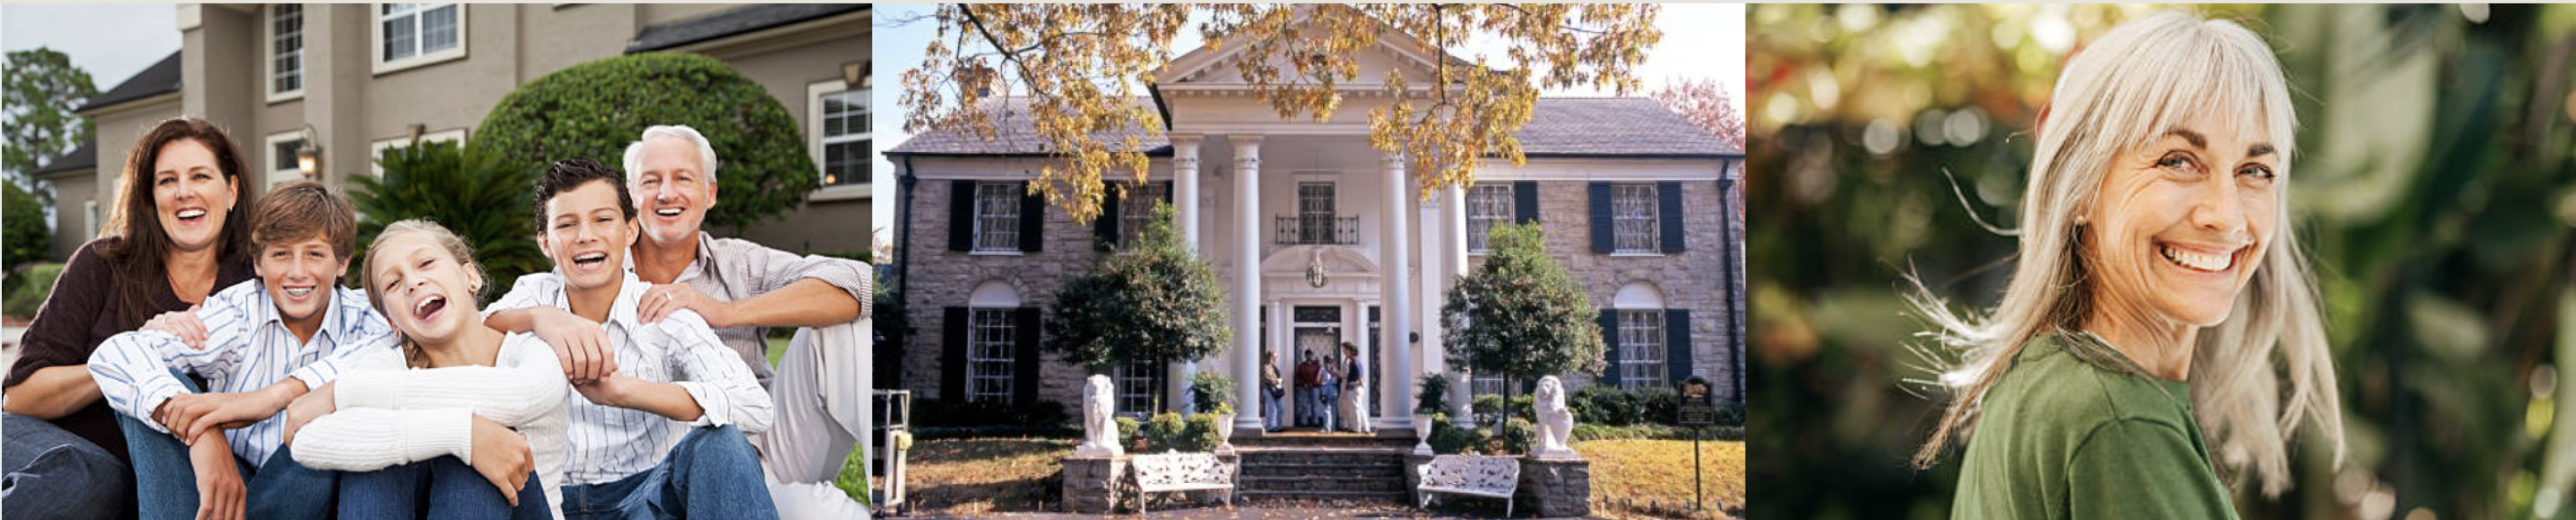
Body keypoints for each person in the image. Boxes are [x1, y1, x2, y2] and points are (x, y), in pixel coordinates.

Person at [1908, 12, 2343, 518]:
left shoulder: (2040, 378)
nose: (2225, 216)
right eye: (2178, 161)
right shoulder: (2120, 423)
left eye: (2254, 170)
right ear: (2081, 189)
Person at [486, 127, 869, 504]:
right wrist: (544, 317)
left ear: (710, 193)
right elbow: (481, 326)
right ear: (632, 201)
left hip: (757, 449)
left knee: (848, 333)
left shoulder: (739, 264)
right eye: (651, 181)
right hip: (663, 476)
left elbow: (862, 283)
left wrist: (723, 311)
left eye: (683, 178)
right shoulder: (570, 279)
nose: (667, 193)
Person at [483, 158, 778, 519]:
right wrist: (540, 318)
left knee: (724, 444)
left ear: (630, 231)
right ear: (545, 243)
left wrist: (624, 391)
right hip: (545, 501)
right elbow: (474, 329)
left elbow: (755, 406)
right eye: (566, 224)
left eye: (602, 219)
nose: (585, 235)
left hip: (644, 499)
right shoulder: (533, 295)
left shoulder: (662, 310)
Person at [88, 181, 392, 520]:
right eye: (280, 254)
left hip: (302, 493)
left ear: (341, 264)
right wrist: (202, 432)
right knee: (156, 392)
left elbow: (405, 346)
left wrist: (279, 395)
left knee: (330, 413)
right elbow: (114, 354)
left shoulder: (368, 318)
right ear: (259, 264)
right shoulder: (238, 311)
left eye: (314, 254)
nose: (297, 271)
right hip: (224, 483)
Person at [5, 117, 259, 520]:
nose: (184, 192)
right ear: (149, 198)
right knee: (91, 479)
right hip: (57, 446)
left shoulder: (256, 281)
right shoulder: (101, 265)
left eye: (200, 176)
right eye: (167, 181)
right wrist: (129, 354)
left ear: (231, 190)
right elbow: (20, 397)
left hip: (172, 473)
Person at [286, 219, 567, 520]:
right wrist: (462, 433)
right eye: (393, 283)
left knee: (476, 449)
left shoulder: (530, 351)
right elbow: (306, 443)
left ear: (469, 276)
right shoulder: (386, 364)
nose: (412, 282)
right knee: (375, 453)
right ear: (393, 323)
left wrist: (343, 392)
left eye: (426, 262)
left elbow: (525, 393)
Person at [1338, 343, 1370, 433]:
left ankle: (1357, 429)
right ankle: (1365, 428)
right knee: (1359, 407)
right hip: (1355, 387)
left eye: (1344, 350)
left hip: (1354, 388)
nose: (1343, 351)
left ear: (1349, 350)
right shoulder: (1353, 361)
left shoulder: (1354, 362)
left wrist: (1356, 385)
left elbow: (1360, 377)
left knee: (1355, 408)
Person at [1294, 351, 1320, 427]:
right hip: (1304, 387)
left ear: (1312, 355)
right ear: (1305, 356)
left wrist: (1315, 383)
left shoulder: (1317, 365)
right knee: (1304, 405)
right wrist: (1303, 384)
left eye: (1310, 355)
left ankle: (1315, 421)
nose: (1309, 356)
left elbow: (1320, 376)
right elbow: (1297, 377)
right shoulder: (1301, 365)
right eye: (1307, 355)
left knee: (1315, 405)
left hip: (1314, 387)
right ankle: (1303, 421)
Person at [1260, 350, 1284, 431]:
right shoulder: (1263, 367)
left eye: (1276, 357)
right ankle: (1270, 426)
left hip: (1277, 389)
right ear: (1269, 357)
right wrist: (1274, 382)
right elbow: (1264, 379)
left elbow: (1279, 378)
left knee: (1281, 408)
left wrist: (1279, 383)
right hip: (1268, 389)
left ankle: (1279, 425)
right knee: (1272, 408)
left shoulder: (1274, 367)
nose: (1275, 359)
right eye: (1274, 357)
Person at [1315, 353, 1339, 431]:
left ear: (1325, 360)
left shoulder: (1322, 368)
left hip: (1325, 389)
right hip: (1334, 390)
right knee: (1334, 409)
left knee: (1326, 409)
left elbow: (1318, 380)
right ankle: (1333, 428)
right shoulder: (1335, 368)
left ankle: (1327, 428)